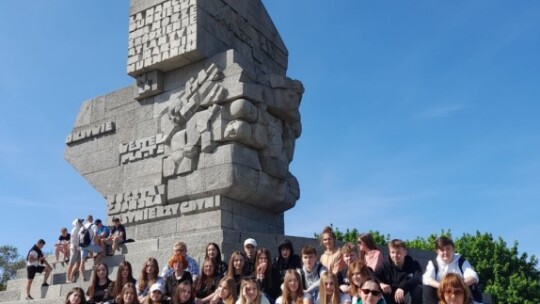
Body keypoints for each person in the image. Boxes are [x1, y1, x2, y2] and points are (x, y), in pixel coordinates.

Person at [422, 236, 481, 304]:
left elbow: (473, 276)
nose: (445, 252)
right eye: (442, 250)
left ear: (453, 249)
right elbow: (426, 278)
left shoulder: (461, 261)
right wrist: (443, 287)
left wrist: (457, 286)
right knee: (427, 288)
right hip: (442, 295)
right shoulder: (433, 263)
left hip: (460, 293)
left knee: (472, 285)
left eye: (448, 248)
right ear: (437, 251)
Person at [374, 240, 422, 304]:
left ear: (405, 252)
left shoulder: (413, 264)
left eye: (398, 252)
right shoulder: (385, 265)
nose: (395, 255)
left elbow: (418, 277)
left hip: (405, 297)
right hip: (389, 298)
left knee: (417, 289)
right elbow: (373, 275)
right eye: (392, 252)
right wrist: (381, 284)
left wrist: (402, 287)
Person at [67, 218, 83, 283]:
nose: (81, 223)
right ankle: (68, 278)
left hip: (79, 248)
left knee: (78, 263)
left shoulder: (80, 229)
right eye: (80, 222)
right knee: (71, 263)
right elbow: (73, 240)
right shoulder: (74, 230)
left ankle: (71, 276)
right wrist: (75, 247)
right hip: (74, 248)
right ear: (77, 223)